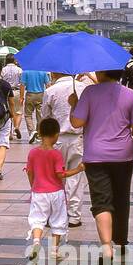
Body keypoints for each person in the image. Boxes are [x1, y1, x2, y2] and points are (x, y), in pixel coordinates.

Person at [70, 68, 133, 264]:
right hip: (123, 156)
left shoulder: (89, 93)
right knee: (121, 199)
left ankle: (106, 248)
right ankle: (120, 243)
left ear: (102, 73)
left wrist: (74, 105)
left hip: (95, 157)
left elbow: (77, 122)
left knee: (102, 201)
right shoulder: (130, 95)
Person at [25, 117, 82, 262]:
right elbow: (60, 174)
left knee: (37, 219)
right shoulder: (56, 154)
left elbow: (30, 172)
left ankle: (36, 242)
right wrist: (78, 169)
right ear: (57, 134)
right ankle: (54, 251)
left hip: (39, 192)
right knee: (58, 220)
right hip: (56, 192)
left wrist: (33, 186)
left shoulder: (33, 153)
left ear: (39, 132)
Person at [40, 70, 86, 227]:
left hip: (56, 139)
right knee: (76, 177)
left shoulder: (50, 91)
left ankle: (54, 214)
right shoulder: (83, 88)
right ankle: (74, 215)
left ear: (53, 73)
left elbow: (45, 117)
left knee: (54, 177)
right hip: (78, 138)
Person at [20, 65, 50, 143]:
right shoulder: (43, 71)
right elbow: (48, 84)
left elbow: (22, 85)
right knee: (40, 115)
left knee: (28, 115)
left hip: (30, 94)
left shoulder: (26, 71)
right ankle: (39, 134)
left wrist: (21, 97)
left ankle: (32, 131)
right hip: (41, 94)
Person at [1, 55, 24, 140]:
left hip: (6, 92)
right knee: (18, 112)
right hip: (17, 91)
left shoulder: (3, 70)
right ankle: (16, 127)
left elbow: (1, 82)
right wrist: (22, 96)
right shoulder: (19, 70)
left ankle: (9, 133)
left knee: (8, 112)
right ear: (14, 60)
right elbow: (22, 83)